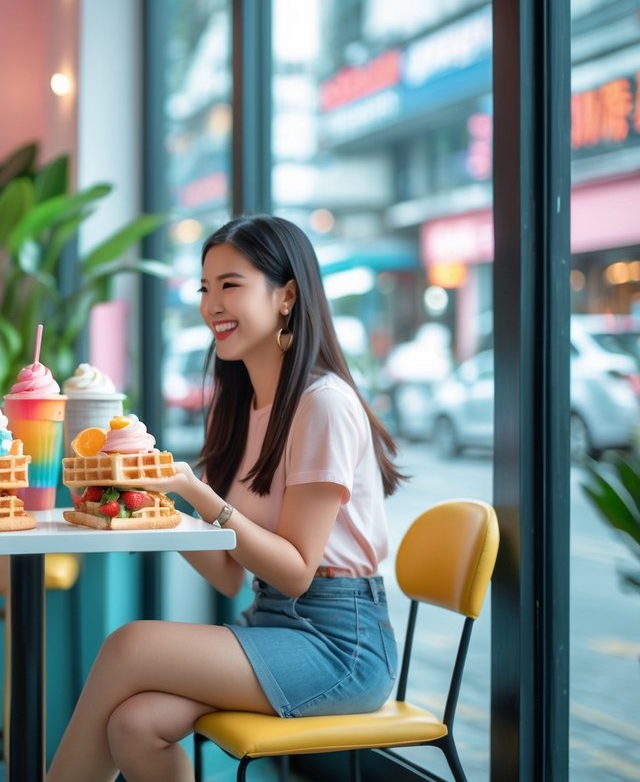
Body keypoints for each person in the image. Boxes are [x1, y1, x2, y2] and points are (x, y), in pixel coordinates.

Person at [47, 215, 406, 782]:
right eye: (204, 289)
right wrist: (148, 499)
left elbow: (294, 572)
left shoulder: (324, 405)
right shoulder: (240, 408)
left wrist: (197, 492)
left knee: (129, 645)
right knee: (135, 724)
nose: (212, 304)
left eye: (230, 285)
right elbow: (225, 573)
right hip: (272, 623)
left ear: (287, 295)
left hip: (343, 645)